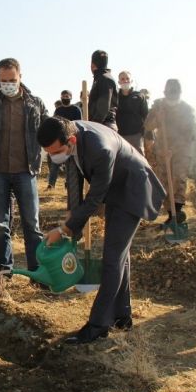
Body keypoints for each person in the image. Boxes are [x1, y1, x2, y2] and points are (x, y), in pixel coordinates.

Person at [38, 117, 164, 343]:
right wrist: (71, 218)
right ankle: (122, 317)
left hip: (132, 189)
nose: (54, 157)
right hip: (116, 189)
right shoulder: (70, 133)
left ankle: (97, 326)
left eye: (56, 152)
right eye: (49, 153)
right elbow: (75, 178)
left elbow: (95, 197)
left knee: (112, 259)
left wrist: (65, 229)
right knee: (119, 257)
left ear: (71, 141)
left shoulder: (100, 149)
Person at [0, 58, 49, 281]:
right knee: (0, 225)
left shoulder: (35, 104)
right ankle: (4, 272)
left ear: (20, 77)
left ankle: (38, 273)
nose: (8, 84)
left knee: (32, 224)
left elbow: (48, 132)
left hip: (26, 171)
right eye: (3, 80)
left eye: (12, 80)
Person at [144, 79, 195, 225]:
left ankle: (177, 213)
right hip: (162, 150)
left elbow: (188, 135)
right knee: (164, 182)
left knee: (178, 180)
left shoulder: (187, 110)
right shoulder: (158, 106)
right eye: (169, 94)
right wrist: (157, 118)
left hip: (180, 151)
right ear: (165, 93)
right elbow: (147, 126)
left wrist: (173, 150)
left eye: (174, 94)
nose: (171, 98)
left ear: (179, 93)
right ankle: (171, 215)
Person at [47, 90, 82, 189]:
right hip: (60, 139)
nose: (65, 98)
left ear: (71, 97)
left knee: (70, 163)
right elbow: (54, 124)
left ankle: (68, 183)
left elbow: (79, 123)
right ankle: (51, 184)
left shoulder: (76, 109)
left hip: (71, 138)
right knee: (55, 163)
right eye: (63, 96)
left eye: (67, 96)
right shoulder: (58, 110)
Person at [116, 71, 149, 155]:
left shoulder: (140, 96)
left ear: (131, 81)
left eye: (127, 78)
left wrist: (149, 136)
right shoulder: (115, 98)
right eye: (122, 79)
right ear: (119, 82)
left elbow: (146, 116)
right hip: (120, 136)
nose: (125, 81)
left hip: (136, 136)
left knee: (140, 162)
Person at [88, 50, 118, 131]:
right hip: (102, 124)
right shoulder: (102, 78)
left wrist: (93, 125)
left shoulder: (104, 79)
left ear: (92, 65)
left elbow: (104, 107)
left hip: (104, 125)